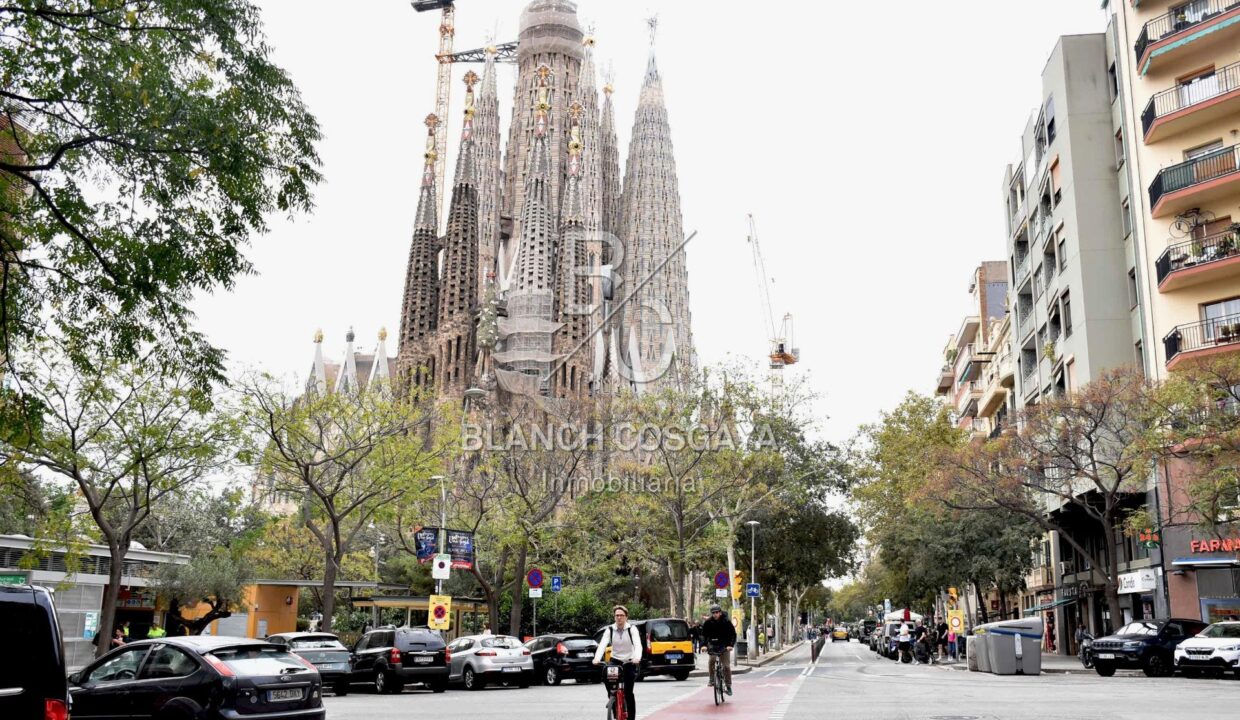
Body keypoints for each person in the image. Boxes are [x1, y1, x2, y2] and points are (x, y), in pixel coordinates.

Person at [593, 605, 642, 719]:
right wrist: (597, 658)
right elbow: (602, 645)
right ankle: (613, 700)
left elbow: (638, 645)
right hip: (615, 660)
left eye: (621, 615)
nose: (619, 617)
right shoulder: (610, 629)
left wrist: (637, 657)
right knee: (606, 676)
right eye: (617, 615)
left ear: (626, 617)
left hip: (629, 661)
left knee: (628, 692)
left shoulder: (632, 629)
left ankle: (631, 717)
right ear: (614, 617)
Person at [700, 604, 736, 695]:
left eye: (717, 612)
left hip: (724, 646)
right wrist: (703, 645)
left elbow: (733, 634)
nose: (715, 614)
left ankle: (728, 686)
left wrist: (730, 645)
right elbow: (703, 635)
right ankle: (711, 679)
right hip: (712, 644)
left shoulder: (726, 621)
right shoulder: (708, 622)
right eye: (713, 613)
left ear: (720, 612)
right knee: (711, 660)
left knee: (726, 666)